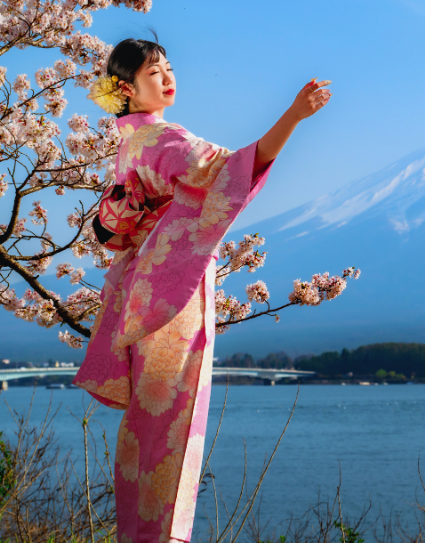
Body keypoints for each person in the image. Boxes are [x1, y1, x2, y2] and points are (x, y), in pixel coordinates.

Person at [72, 37, 331, 543]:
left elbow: (116, 227)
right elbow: (231, 172)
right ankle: (163, 536)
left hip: (143, 292)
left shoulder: (131, 142)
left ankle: (137, 533)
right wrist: (293, 116)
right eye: (153, 73)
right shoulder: (164, 139)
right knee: (174, 423)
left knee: (147, 426)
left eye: (168, 68)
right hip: (175, 292)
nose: (167, 78)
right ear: (126, 88)